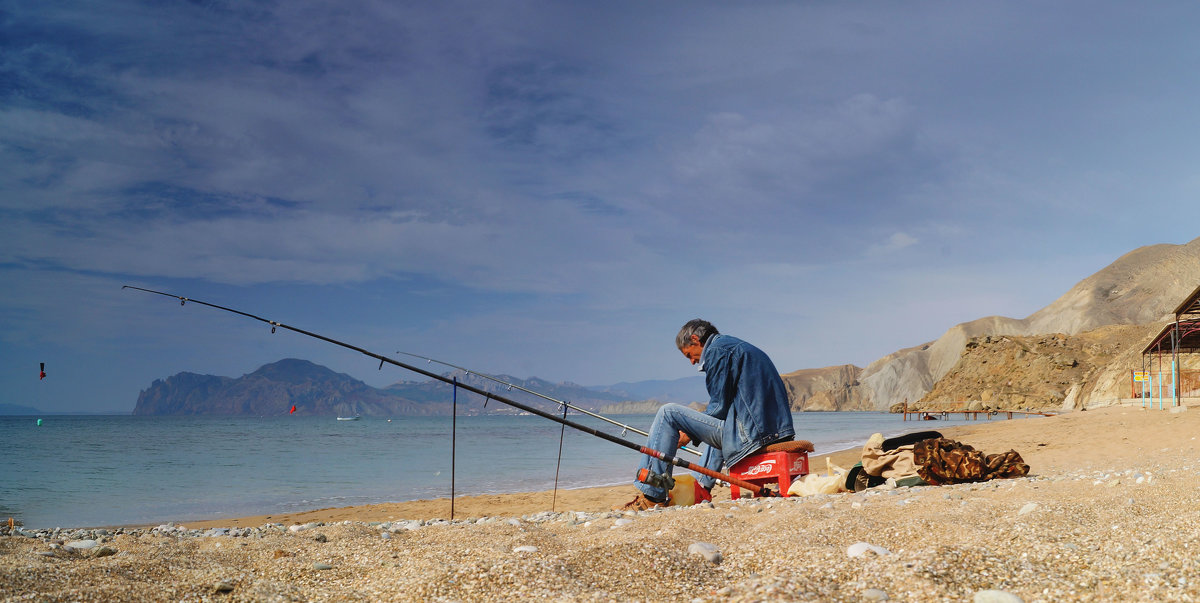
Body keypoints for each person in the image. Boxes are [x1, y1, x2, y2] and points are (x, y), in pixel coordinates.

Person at [619, 319, 795, 510]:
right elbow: (725, 411)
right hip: (774, 430)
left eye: (689, 355)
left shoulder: (717, 351)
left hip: (753, 434)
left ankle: (652, 494)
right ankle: (701, 487)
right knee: (726, 423)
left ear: (695, 339)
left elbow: (718, 407)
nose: (692, 361)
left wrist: (689, 433)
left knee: (667, 413)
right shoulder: (736, 346)